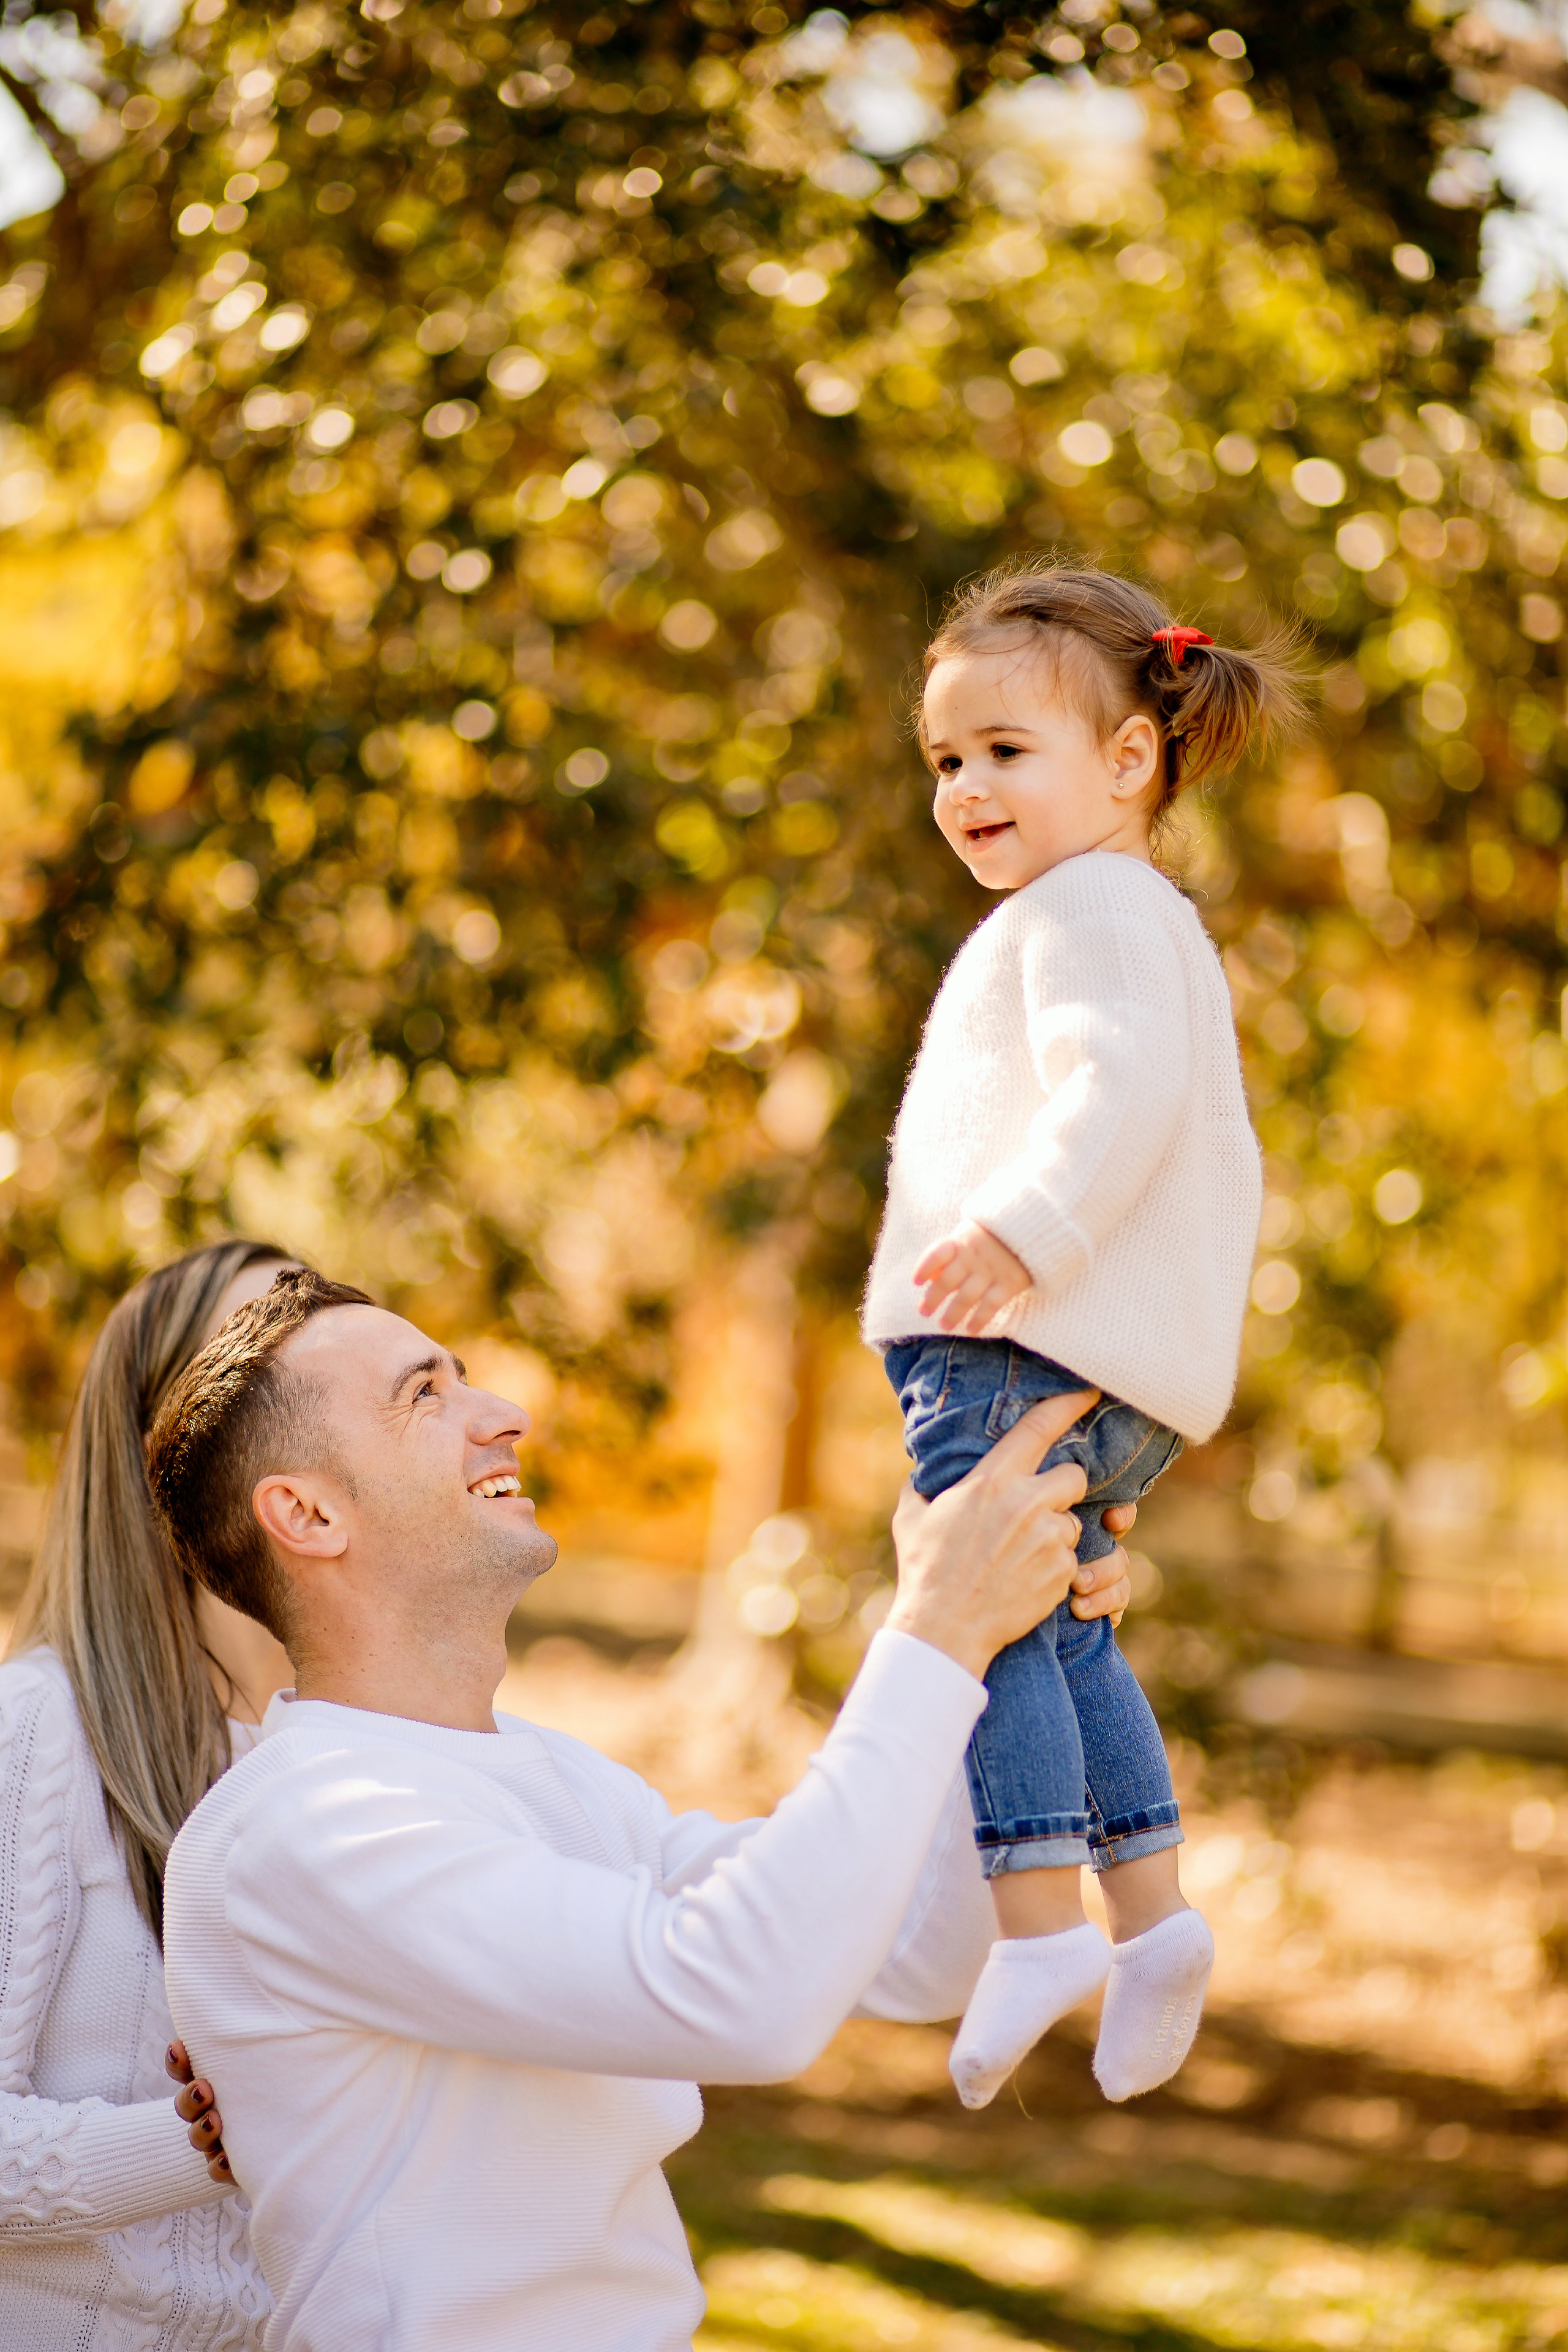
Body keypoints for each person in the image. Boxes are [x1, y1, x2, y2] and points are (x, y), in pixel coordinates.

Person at [149, 1266, 1136, 2352]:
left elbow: (919, 1949)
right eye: (425, 1394)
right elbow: (737, 1998)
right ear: (307, 1512)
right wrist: (938, 1623)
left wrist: (1010, 1638)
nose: (504, 1415)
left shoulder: (555, 1777)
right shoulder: (301, 1831)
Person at [862, 560, 1302, 2110]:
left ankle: (1036, 1923)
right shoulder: (1131, 910)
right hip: (1097, 1366)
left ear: (1128, 762)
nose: (964, 787)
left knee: (985, 1623)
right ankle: (1154, 1913)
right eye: (944, 760)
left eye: (1002, 751)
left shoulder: (1093, 907)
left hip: (1014, 1348)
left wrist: (1016, 1236)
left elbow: (1118, 1093)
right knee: (1063, 1628)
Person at [0, 1238, 296, 2350]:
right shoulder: (35, 1734)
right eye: (253, 1355)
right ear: (155, 1451)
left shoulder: (343, 1755)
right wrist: (210, 2138)